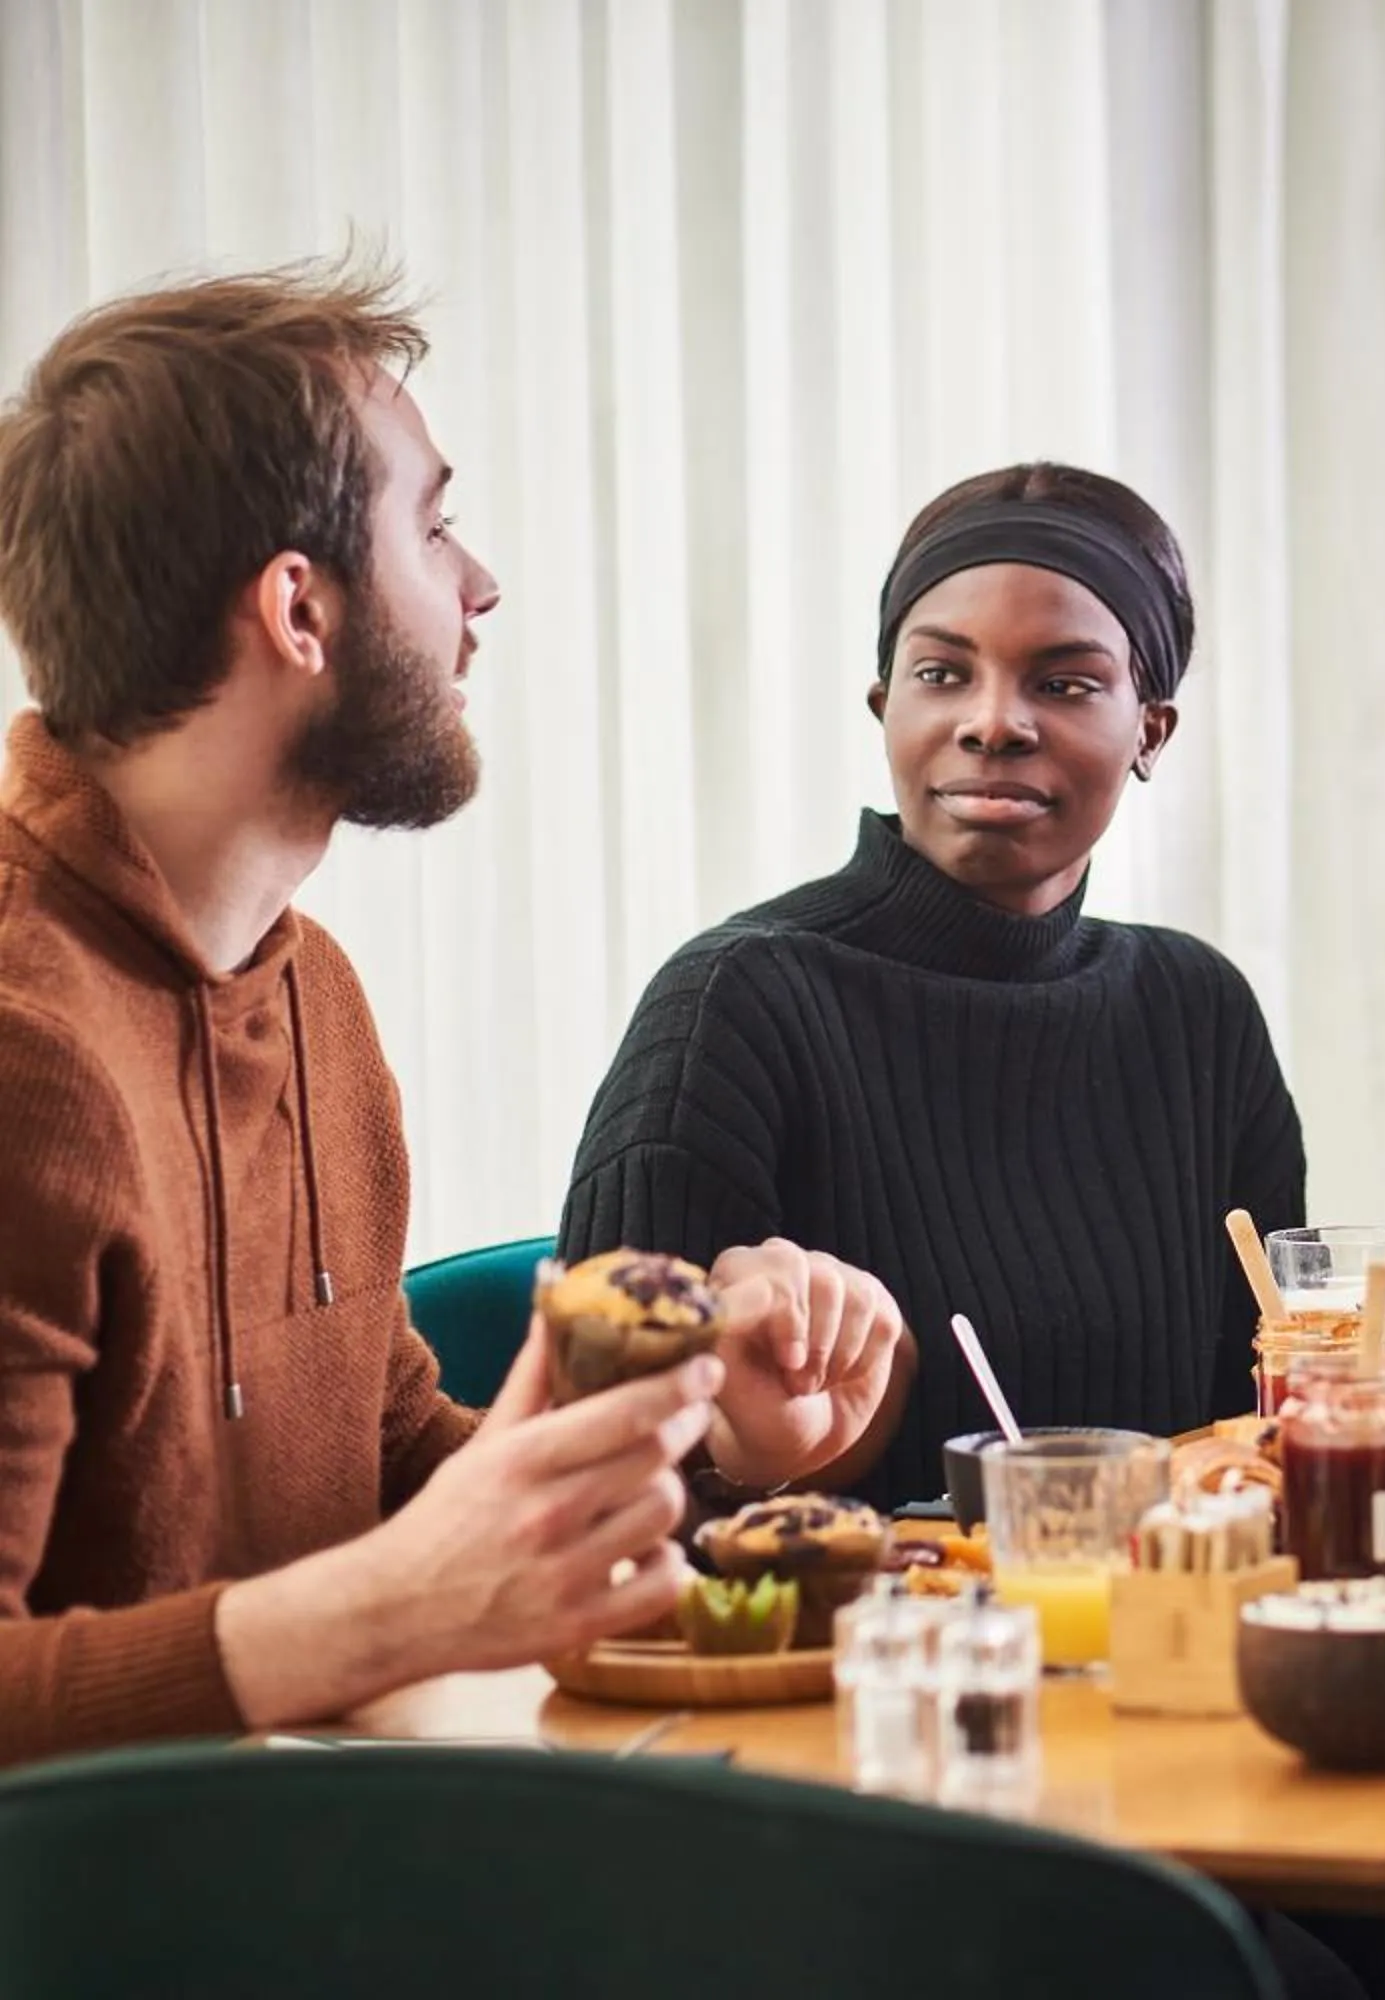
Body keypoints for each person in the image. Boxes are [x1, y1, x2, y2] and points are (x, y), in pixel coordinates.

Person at [0, 264, 903, 1767]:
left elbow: (393, 1463)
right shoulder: (24, 1051)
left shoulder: (311, 997)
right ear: (300, 606)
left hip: (334, 1846)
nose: (478, 582)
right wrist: (386, 1613)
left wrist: (707, 1448)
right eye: (430, 526)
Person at [559, 463, 1305, 1512]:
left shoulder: (1199, 1013)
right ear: (884, 706)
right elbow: (598, 1479)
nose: (994, 722)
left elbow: (1262, 1429)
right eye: (944, 674)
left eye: (1065, 681)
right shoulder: (734, 1006)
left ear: (1151, 729)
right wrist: (770, 1448)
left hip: (1160, 1639)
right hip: (855, 1659)